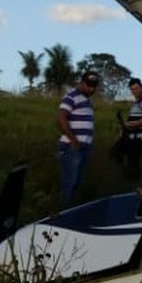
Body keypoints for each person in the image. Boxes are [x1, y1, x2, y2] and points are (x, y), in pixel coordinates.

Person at [55, 70, 100, 204]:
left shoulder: (87, 101)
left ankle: (71, 207)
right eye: (88, 85)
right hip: (72, 147)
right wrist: (73, 139)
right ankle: (65, 210)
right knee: (70, 181)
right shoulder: (72, 96)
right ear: (81, 83)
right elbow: (60, 118)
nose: (91, 89)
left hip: (84, 147)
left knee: (77, 182)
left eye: (93, 86)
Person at [113, 77, 142, 181]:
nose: (134, 91)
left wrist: (130, 125)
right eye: (132, 89)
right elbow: (134, 120)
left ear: (141, 87)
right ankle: (130, 179)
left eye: (136, 88)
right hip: (131, 135)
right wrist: (124, 128)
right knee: (120, 155)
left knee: (132, 161)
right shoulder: (136, 103)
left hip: (139, 137)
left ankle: (134, 182)